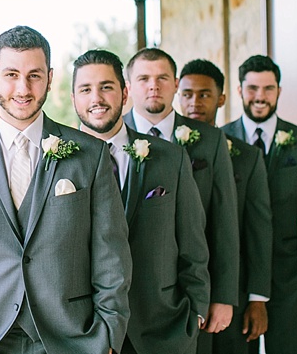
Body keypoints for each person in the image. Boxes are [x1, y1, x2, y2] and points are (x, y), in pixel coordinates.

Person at [0, 26, 132, 354]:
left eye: (34, 76)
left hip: (70, 338)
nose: (23, 88)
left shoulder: (90, 154)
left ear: (50, 78)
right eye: (11, 75)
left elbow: (110, 255)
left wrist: (108, 336)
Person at [71, 49, 210, 354]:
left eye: (106, 87)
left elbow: (193, 242)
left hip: (163, 329)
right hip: (83, 332)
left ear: (125, 92)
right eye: (85, 89)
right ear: (73, 99)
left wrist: (196, 312)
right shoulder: (56, 162)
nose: (97, 98)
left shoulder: (170, 158)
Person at [122, 48, 239, 349]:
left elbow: (224, 220)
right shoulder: (111, 136)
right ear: (129, 86)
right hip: (125, 299)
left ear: (175, 84)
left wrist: (222, 296)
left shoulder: (211, 140)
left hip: (190, 296)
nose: (153, 86)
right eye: (144, 78)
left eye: (162, 78)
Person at [222, 55, 297, 354]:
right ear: (240, 90)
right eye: (252, 88)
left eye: (268, 88)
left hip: (289, 273)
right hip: (237, 274)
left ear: (279, 91)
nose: (260, 96)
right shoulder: (221, 139)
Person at [178, 59, 273, 354]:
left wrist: (257, 299)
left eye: (204, 94)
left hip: (232, 288)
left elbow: (258, 229)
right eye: (187, 94)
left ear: (221, 99)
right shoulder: (164, 150)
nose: (195, 102)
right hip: (177, 290)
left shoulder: (247, 156)